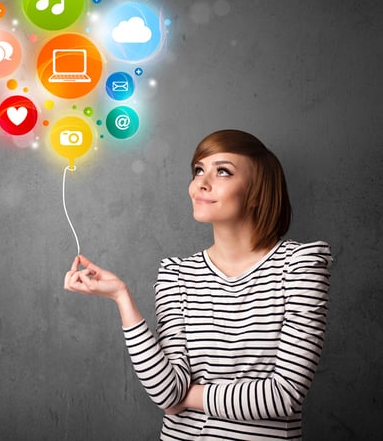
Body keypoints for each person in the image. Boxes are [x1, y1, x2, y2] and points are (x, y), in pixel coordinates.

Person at [64, 129, 332, 440]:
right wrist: (122, 297)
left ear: (257, 191)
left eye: (222, 171)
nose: (201, 183)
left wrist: (189, 398)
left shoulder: (299, 266)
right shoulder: (176, 274)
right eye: (198, 170)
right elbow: (166, 392)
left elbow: (283, 396)